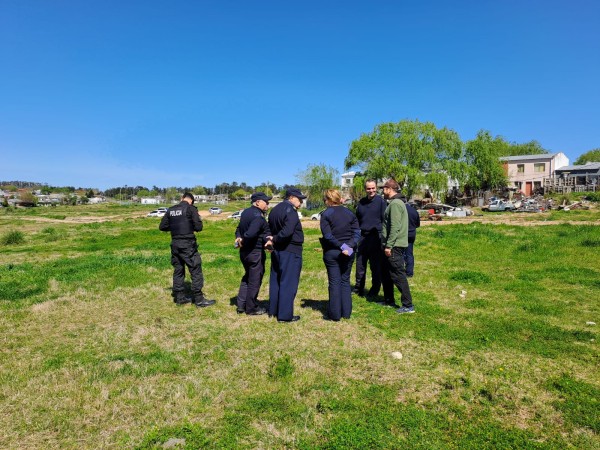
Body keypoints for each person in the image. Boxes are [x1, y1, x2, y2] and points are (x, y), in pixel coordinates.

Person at [159, 192, 215, 308]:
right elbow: (199, 227)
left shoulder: (171, 210)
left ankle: (179, 297)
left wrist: (175, 226)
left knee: (178, 270)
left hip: (175, 243)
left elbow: (162, 226)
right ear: (192, 201)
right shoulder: (191, 209)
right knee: (195, 269)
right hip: (187, 244)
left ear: (182, 198)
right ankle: (199, 299)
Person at [319, 189, 360, 321]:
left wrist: (341, 246)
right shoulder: (350, 213)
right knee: (345, 281)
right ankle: (346, 313)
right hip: (349, 250)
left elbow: (328, 235)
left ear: (329, 199)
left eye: (325, 199)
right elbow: (357, 232)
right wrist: (349, 245)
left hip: (332, 251)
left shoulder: (326, 214)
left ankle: (335, 314)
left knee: (334, 282)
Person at [267, 187, 306, 322]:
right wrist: (275, 238)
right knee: (288, 283)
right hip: (290, 250)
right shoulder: (291, 211)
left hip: (277, 251)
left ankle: (274, 309)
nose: (301, 202)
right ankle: (284, 315)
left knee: (276, 280)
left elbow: (269, 228)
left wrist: (272, 239)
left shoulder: (275, 209)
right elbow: (288, 231)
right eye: (299, 199)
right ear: (291, 198)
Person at [234, 192, 272, 315]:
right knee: (255, 280)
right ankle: (251, 308)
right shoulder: (258, 217)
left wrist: (239, 238)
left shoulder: (246, 212)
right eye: (265, 202)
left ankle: (241, 304)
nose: (267, 204)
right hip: (255, 252)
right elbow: (250, 234)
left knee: (247, 276)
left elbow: (238, 229)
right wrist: (244, 240)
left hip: (244, 252)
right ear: (257, 202)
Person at [380, 179, 414, 314]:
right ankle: (389, 300)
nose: (382, 191)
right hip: (392, 244)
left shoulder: (395, 204)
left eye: (384, 188)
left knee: (398, 275)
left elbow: (395, 227)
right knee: (387, 274)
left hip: (394, 246)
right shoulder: (397, 203)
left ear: (389, 188)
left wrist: (389, 246)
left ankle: (408, 305)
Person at [353, 179, 387, 297]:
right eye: (368, 188)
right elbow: (357, 220)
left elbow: (385, 221)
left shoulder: (381, 202)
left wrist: (383, 238)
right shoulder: (361, 202)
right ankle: (358, 288)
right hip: (362, 237)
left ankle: (374, 290)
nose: (371, 190)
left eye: (373, 188)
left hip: (375, 237)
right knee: (360, 264)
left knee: (375, 266)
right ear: (365, 189)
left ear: (376, 188)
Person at [400, 195, 420, 277]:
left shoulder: (399, 210)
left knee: (400, 253)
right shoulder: (414, 211)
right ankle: (409, 273)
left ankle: (400, 272)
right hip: (411, 234)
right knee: (409, 254)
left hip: (402, 234)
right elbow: (417, 224)